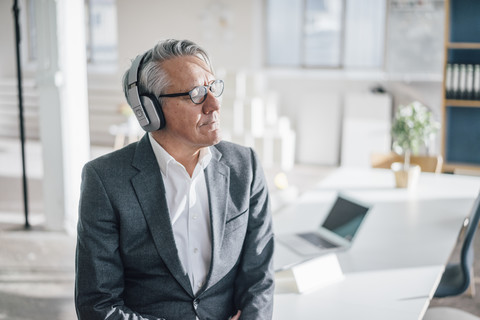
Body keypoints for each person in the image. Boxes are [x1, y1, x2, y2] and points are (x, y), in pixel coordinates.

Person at [75, 39, 275, 320]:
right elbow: (98, 305)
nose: (214, 105)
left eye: (213, 88)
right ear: (150, 111)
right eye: (195, 94)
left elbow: (260, 278)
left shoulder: (246, 166)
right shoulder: (105, 180)